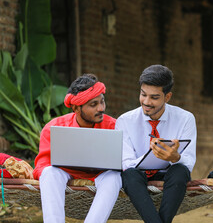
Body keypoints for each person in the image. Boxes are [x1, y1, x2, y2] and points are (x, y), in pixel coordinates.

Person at [33, 74, 122, 223]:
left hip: (102, 176)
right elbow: (41, 166)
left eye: (102, 102)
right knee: (49, 173)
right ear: (76, 107)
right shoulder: (54, 128)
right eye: (93, 105)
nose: (101, 108)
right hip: (65, 173)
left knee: (114, 177)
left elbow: (126, 163)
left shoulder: (115, 127)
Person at [115, 65, 197, 223]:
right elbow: (126, 163)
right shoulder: (125, 121)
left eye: (154, 97)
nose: (146, 102)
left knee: (180, 170)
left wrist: (175, 157)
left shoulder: (186, 119)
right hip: (138, 177)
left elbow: (189, 162)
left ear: (167, 97)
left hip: (171, 175)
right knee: (129, 174)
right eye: (143, 94)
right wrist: (150, 158)